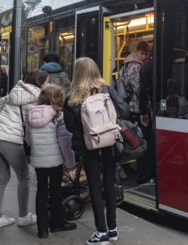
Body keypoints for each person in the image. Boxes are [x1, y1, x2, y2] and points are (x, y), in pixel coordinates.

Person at [63, 57, 130, 245]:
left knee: (94, 185)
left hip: (89, 145)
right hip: (109, 142)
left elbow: (70, 127)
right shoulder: (107, 90)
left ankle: (101, 232)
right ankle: (113, 228)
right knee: (110, 183)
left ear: (77, 73)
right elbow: (124, 110)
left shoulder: (72, 98)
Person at [0, 69, 48, 229]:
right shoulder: (37, 97)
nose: (48, 84)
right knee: (24, 177)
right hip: (11, 140)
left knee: (1, 178)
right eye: (46, 81)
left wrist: (7, 120)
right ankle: (23, 216)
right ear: (40, 83)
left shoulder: (17, 90)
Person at [26, 84, 77, 238]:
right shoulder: (58, 115)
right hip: (55, 160)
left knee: (41, 191)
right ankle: (57, 223)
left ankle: (42, 229)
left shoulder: (30, 113)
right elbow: (64, 143)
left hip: (38, 160)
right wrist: (70, 164)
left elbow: (28, 140)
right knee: (55, 191)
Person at [137, 48, 155, 185]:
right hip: (161, 109)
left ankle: (144, 176)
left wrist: (143, 112)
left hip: (149, 110)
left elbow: (142, 92)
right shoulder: (164, 63)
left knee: (146, 142)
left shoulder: (146, 67)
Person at [119, 41, 149, 116]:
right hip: (136, 105)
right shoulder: (136, 67)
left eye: (146, 54)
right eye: (141, 53)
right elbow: (138, 88)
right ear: (136, 52)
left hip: (132, 104)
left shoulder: (129, 63)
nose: (144, 56)